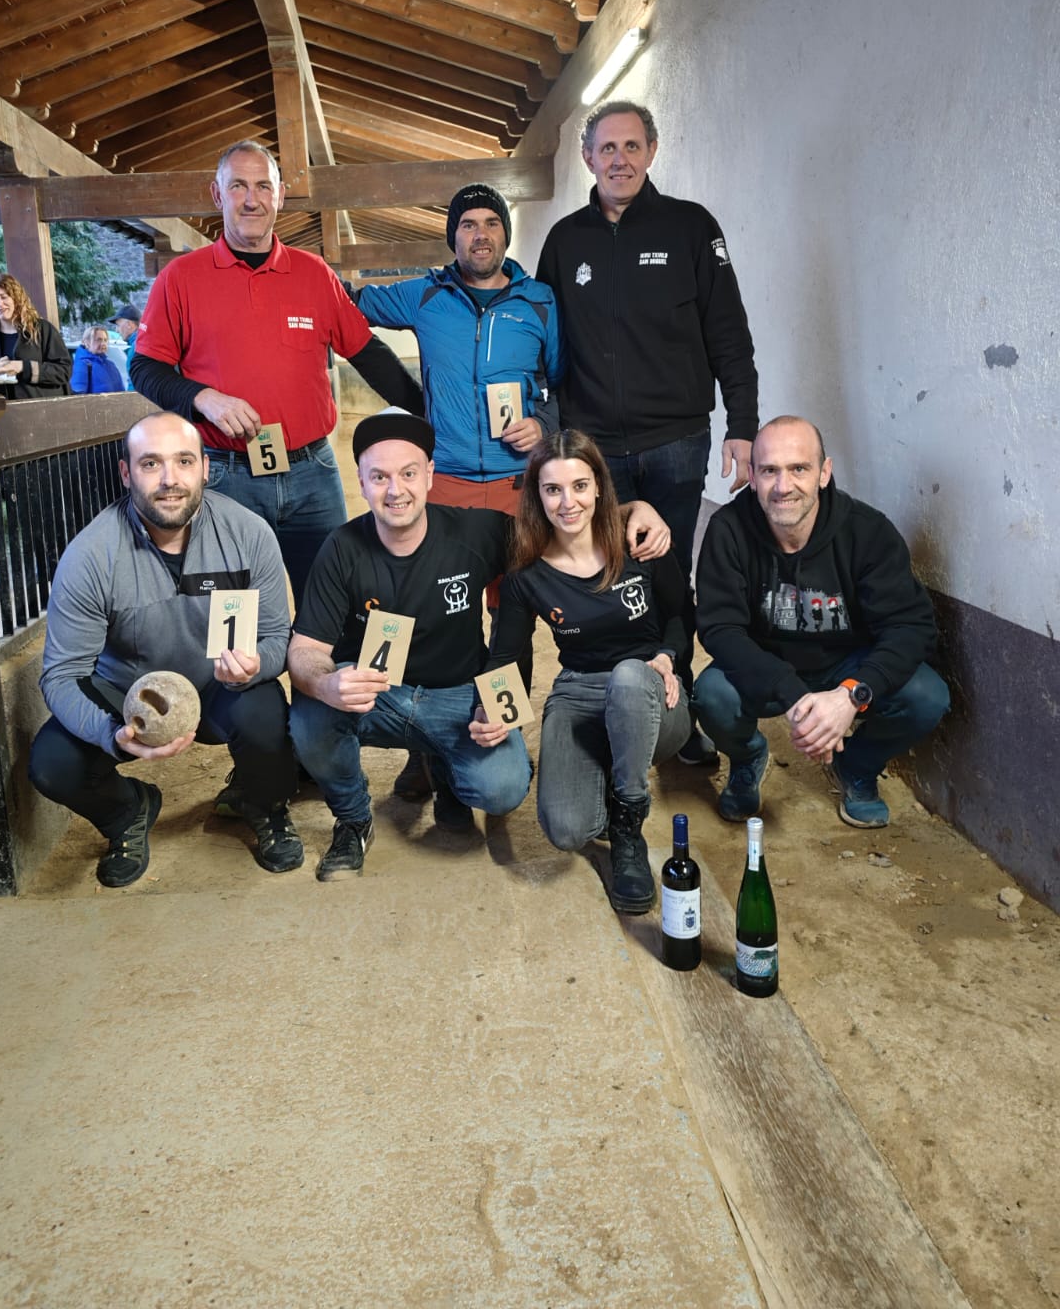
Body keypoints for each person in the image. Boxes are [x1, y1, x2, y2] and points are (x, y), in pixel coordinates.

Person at [287, 410, 670, 881]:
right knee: (310, 714)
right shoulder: (341, 548)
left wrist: (635, 509)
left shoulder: (475, 532)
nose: (395, 490)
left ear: (430, 474)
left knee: (504, 787)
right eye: (379, 477)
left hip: (457, 696)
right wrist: (326, 683)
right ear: (361, 483)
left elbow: (564, 521)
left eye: (408, 473)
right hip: (378, 696)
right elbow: (304, 650)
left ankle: (445, 769)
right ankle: (352, 819)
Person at [535, 100, 759, 768]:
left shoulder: (691, 227)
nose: (620, 159)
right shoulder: (565, 241)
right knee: (607, 575)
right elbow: (544, 341)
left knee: (666, 576)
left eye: (632, 146)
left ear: (652, 152)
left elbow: (729, 333)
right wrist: (549, 432)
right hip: (595, 450)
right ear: (588, 158)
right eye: (607, 148)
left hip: (676, 442)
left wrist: (742, 426)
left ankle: (676, 711)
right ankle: (618, 705)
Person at [131, 140, 424, 604]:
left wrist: (426, 413)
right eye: (238, 186)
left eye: (263, 186)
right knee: (236, 609)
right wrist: (203, 397)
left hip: (313, 474)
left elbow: (367, 353)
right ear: (217, 194)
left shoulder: (314, 274)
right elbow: (145, 367)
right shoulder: (181, 278)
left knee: (330, 603)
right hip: (227, 474)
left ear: (280, 195)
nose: (252, 199)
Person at [354, 181, 565, 797]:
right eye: (468, 224)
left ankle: (502, 729)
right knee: (428, 612)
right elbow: (349, 304)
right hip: (442, 482)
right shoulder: (426, 294)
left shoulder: (539, 301)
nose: (480, 234)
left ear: (506, 233)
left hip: (514, 484)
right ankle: (422, 744)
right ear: (453, 238)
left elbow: (565, 384)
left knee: (510, 615)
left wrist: (545, 422)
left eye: (491, 223)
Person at [28, 412, 301, 887]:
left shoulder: (249, 534)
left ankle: (264, 804)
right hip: (129, 698)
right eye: (151, 463)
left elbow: (278, 635)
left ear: (205, 468)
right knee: (52, 764)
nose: (170, 479)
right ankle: (127, 812)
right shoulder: (90, 555)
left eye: (184, 461)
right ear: (126, 473)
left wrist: (257, 663)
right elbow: (62, 674)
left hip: (220, 687)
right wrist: (111, 732)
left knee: (264, 712)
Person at [693, 415, 950, 829]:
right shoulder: (729, 530)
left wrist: (851, 695)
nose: (784, 486)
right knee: (711, 695)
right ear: (752, 477)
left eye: (799, 468)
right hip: (768, 665)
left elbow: (911, 627)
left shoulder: (867, 532)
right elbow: (720, 629)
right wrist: (790, 692)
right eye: (769, 471)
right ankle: (747, 757)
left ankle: (857, 766)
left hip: (847, 666)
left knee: (927, 697)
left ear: (824, 473)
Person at [479, 431, 690, 914]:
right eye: (552, 489)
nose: (567, 502)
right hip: (579, 691)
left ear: (598, 486)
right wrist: (493, 711)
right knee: (566, 829)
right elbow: (505, 656)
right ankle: (607, 771)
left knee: (628, 677)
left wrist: (668, 656)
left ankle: (628, 824)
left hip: (651, 689)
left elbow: (682, 614)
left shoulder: (640, 542)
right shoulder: (526, 576)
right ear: (537, 496)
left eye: (578, 486)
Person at [0, 272, 72, 398]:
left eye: (4, 297)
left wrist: (22, 367)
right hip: (2, 409)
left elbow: (64, 371)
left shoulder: (41, 329)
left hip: (41, 407)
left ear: (16, 299)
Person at [71, 325, 126, 394]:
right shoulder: (82, 365)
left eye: (105, 340)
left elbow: (122, 392)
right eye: (99, 340)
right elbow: (78, 396)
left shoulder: (111, 365)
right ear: (87, 342)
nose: (103, 343)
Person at [111, 302, 142, 389]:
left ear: (129, 325)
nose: (117, 330)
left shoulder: (136, 348)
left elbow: (135, 384)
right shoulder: (143, 343)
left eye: (118, 325)